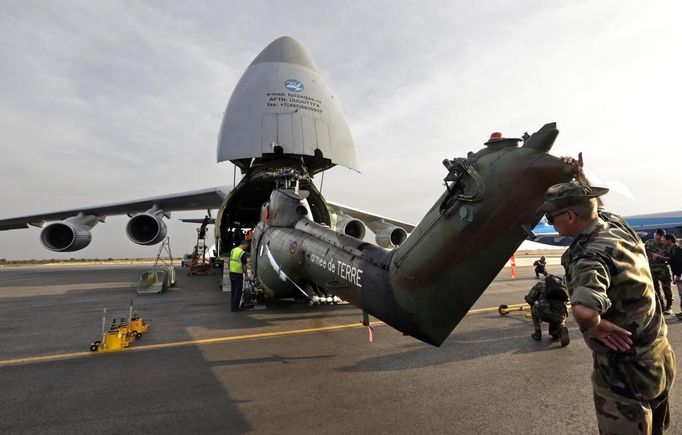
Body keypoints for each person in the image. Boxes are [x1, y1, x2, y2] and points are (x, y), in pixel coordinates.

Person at [544, 177, 675, 434]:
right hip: (658, 357)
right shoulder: (617, 226)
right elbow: (594, 205)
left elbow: (584, 310)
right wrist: (580, 176)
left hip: (624, 373)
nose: (551, 222)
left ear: (570, 216)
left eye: (551, 217)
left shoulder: (588, 255)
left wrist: (596, 326)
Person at [524, 274, 570, 346]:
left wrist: (527, 299)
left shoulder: (540, 284)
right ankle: (561, 330)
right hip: (560, 314)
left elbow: (530, 299)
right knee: (554, 335)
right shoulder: (562, 287)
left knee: (534, 308)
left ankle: (537, 333)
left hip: (545, 312)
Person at [645, 229, 674, 314]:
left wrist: (659, 257)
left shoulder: (665, 245)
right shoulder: (648, 243)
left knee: (667, 289)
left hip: (663, 270)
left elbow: (670, 259)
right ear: (654, 234)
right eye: (657, 235)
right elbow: (643, 254)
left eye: (661, 236)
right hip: (651, 269)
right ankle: (661, 307)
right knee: (655, 290)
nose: (658, 237)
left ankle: (669, 307)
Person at [662, 234, 682, 318]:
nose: (663, 241)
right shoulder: (673, 249)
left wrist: (678, 275)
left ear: (669, 240)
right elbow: (673, 261)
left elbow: (680, 263)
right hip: (677, 274)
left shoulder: (677, 249)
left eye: (664, 240)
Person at [229, 240, 250, 312]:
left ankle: (233, 306)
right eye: (247, 246)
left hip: (232, 273)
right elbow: (244, 266)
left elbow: (230, 260)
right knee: (238, 291)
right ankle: (235, 308)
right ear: (244, 244)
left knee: (233, 291)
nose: (247, 247)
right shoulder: (242, 253)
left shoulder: (233, 250)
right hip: (238, 274)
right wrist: (246, 275)